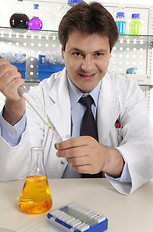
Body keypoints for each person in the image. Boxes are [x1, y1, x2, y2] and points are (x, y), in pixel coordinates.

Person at [0, 2, 153, 195]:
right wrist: (14, 106)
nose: (87, 66)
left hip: (115, 201)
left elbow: (145, 156)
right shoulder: (40, 96)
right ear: (63, 52)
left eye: (98, 54)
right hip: (56, 202)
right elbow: (13, 171)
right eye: (78, 54)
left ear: (109, 54)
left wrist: (107, 158)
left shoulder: (128, 91)